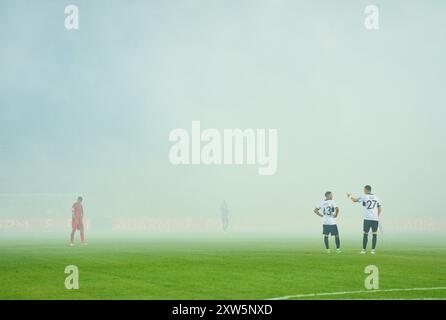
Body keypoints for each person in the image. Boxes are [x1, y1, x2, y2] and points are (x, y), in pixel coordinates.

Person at [347, 185, 382, 254]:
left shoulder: (364, 196)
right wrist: (376, 216)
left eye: (364, 189)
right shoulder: (376, 197)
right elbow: (380, 208)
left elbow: (354, 200)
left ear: (366, 190)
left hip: (367, 219)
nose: (363, 191)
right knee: (374, 234)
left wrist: (349, 196)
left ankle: (363, 250)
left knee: (365, 234)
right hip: (375, 219)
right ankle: (373, 250)